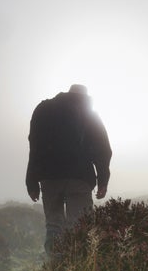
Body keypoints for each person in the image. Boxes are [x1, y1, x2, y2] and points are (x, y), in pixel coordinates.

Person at [25, 84, 112, 257]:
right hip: (80, 177)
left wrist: (31, 181)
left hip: (49, 177)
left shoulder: (43, 109)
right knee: (80, 225)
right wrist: (103, 180)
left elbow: (34, 146)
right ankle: (78, 269)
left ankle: (57, 268)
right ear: (85, 96)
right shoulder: (90, 114)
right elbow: (102, 148)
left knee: (54, 225)